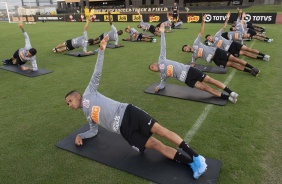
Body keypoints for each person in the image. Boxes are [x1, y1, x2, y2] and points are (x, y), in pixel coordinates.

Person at [65, 35, 207, 180]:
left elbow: (97, 73)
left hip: (128, 113)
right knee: (157, 146)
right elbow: (93, 131)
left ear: (77, 96)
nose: (69, 105)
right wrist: (80, 135)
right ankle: (191, 163)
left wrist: (101, 51)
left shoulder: (89, 92)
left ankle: (196, 156)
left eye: (69, 101)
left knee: (162, 131)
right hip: (125, 131)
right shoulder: (87, 115)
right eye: (68, 104)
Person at [149, 24, 238, 103]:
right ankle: (227, 97)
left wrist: (163, 33)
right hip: (186, 80)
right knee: (205, 88)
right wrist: (159, 87)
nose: (152, 69)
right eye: (151, 70)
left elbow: (163, 47)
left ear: (155, 64)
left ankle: (231, 92)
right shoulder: (162, 74)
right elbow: (163, 83)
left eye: (152, 67)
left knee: (210, 80)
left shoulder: (161, 60)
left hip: (190, 71)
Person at [182, 15, 260, 77]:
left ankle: (252, 67)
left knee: (235, 60)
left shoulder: (196, 43)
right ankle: (250, 71)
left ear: (188, 46)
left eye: (186, 48)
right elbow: (192, 64)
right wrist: (187, 70)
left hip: (218, 52)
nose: (187, 49)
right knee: (233, 65)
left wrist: (203, 21)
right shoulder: (193, 56)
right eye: (185, 50)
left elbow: (201, 32)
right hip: (216, 60)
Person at [205, 12, 270, 61]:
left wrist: (227, 19)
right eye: (208, 39)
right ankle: (262, 57)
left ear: (211, 36)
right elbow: (216, 51)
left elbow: (224, 27)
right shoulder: (213, 45)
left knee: (248, 49)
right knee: (245, 53)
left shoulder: (217, 35)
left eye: (209, 37)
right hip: (229, 48)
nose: (210, 39)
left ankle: (263, 55)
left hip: (231, 42)